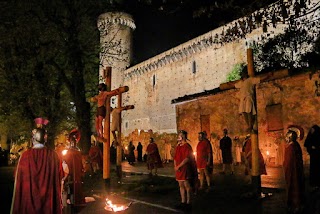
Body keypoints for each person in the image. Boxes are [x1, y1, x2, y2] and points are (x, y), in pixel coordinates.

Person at [11, 127, 63, 214]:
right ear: (45, 139)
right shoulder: (53, 155)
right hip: (47, 200)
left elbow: (18, 176)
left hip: (29, 200)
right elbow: (60, 174)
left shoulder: (25, 156)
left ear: (33, 139)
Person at [61, 129, 85, 212]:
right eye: (71, 141)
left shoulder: (78, 153)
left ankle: (74, 204)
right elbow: (64, 162)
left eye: (74, 141)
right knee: (69, 191)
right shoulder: (67, 152)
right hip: (70, 176)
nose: (72, 143)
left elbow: (80, 164)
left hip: (76, 176)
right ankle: (69, 203)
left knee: (75, 191)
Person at [174, 130, 198, 211]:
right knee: (181, 186)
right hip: (179, 169)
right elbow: (175, 157)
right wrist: (176, 166)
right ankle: (183, 202)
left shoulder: (187, 146)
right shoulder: (178, 147)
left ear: (183, 136)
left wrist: (179, 166)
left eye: (180, 135)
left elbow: (187, 158)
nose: (178, 137)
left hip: (185, 169)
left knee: (187, 186)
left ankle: (188, 203)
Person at [283, 128, 305, 214]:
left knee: (294, 187)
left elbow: (288, 161)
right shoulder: (296, 145)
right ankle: (298, 205)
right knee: (298, 186)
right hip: (297, 171)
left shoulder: (291, 147)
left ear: (290, 137)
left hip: (293, 171)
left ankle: (296, 205)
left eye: (287, 136)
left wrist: (285, 167)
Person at [304, 125, 320, 192]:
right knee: (314, 169)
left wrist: (316, 147)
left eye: (313, 130)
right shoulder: (310, 136)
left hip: (318, 155)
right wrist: (311, 147)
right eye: (311, 130)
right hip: (313, 156)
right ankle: (314, 183)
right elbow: (307, 143)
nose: (312, 131)